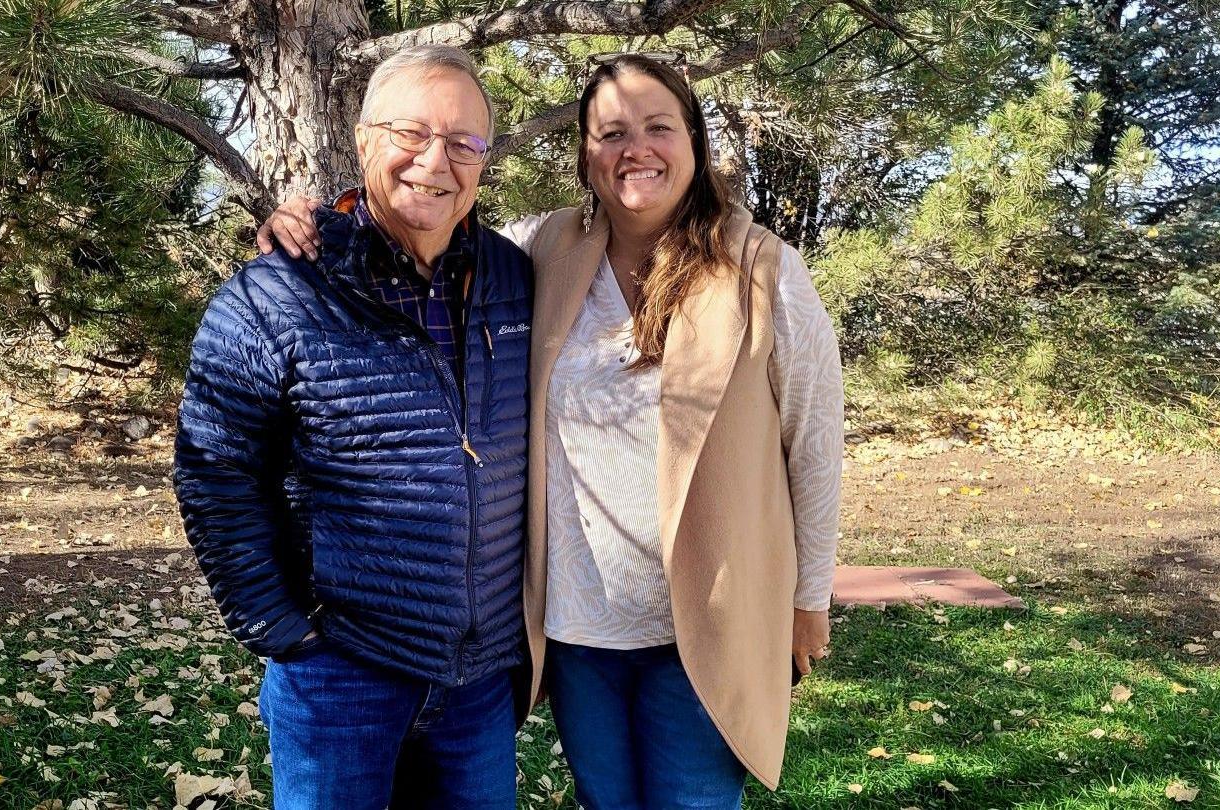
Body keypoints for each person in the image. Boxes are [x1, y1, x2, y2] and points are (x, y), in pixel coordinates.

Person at [260, 53, 843, 808]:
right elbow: (423, 227)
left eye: (658, 127)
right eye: (611, 133)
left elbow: (816, 444)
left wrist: (809, 601)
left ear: (694, 143)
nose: (636, 148)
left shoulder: (762, 268)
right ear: (585, 155)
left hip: (706, 623)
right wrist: (324, 221)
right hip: (578, 630)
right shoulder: (544, 247)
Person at [174, 45, 533, 810]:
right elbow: (216, 473)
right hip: (342, 673)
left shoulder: (520, 279)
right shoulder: (276, 294)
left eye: (464, 142)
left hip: (481, 681)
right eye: (412, 132)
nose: (436, 161)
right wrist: (282, 631)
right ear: (365, 139)